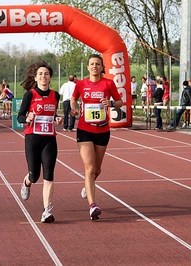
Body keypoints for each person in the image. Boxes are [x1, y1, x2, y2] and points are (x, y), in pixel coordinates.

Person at [70, 54, 123, 221]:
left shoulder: (108, 83)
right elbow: (73, 99)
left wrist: (111, 104)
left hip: (102, 130)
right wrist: (74, 109)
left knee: (97, 170)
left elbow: (120, 101)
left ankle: (88, 185)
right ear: (88, 67)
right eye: (92, 64)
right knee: (90, 169)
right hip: (85, 129)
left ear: (101, 67)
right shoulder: (81, 84)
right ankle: (92, 206)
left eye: (97, 64)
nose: (94, 66)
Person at [18, 61, 63, 223]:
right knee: (35, 175)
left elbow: (53, 114)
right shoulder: (30, 95)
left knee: (49, 174)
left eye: (46, 74)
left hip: (49, 139)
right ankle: (26, 182)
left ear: (50, 78)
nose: (43, 76)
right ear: (36, 78)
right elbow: (19, 117)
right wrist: (27, 118)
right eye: (40, 74)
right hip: (33, 138)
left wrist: (57, 118)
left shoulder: (55, 95)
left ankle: (47, 211)